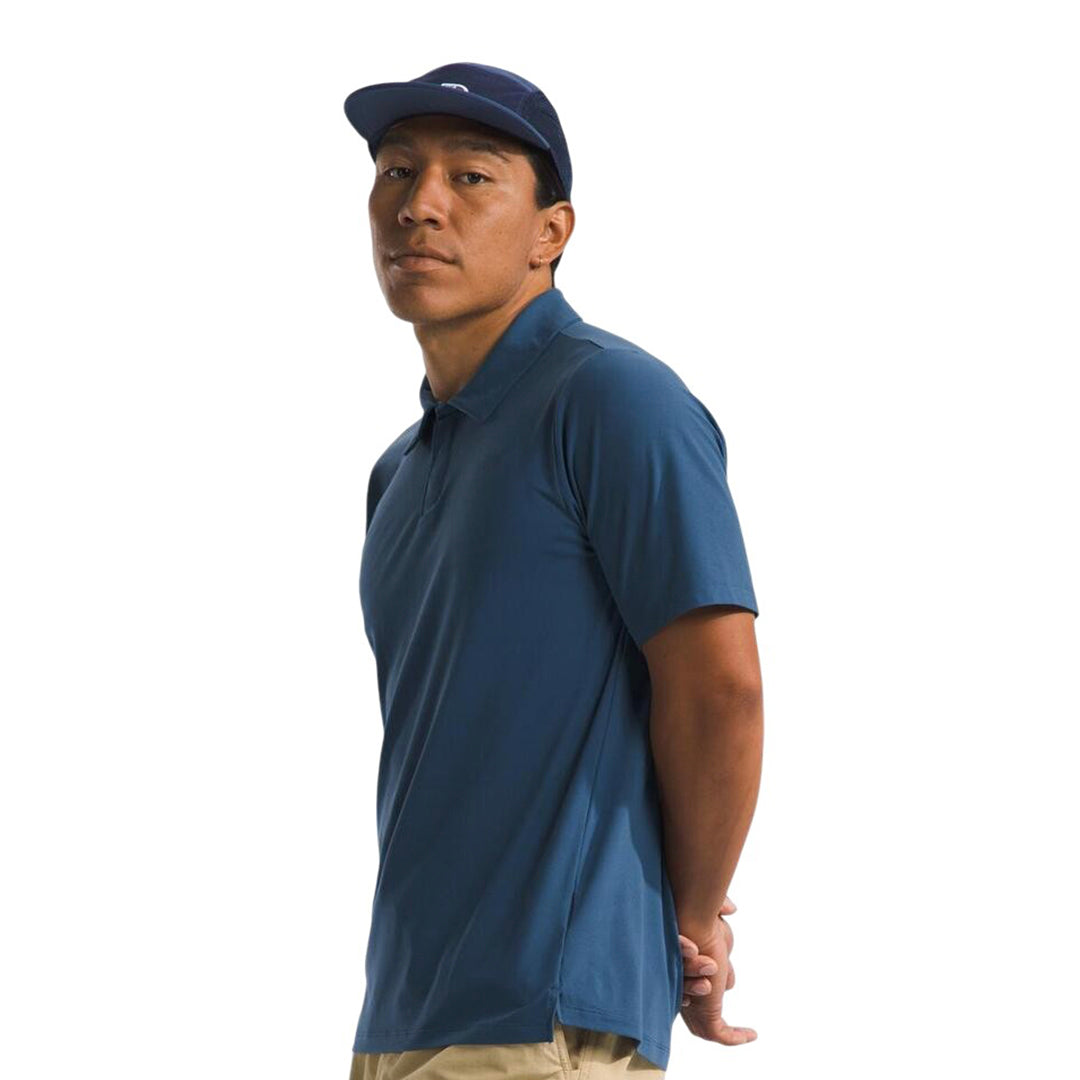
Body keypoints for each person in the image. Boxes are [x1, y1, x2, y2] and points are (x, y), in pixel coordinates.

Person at [341, 61, 765, 1079]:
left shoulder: (615, 400)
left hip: (543, 1019)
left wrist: (690, 920)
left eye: (470, 176)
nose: (420, 204)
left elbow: (720, 687)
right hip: (402, 1018)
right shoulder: (400, 470)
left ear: (551, 233)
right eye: (397, 171)